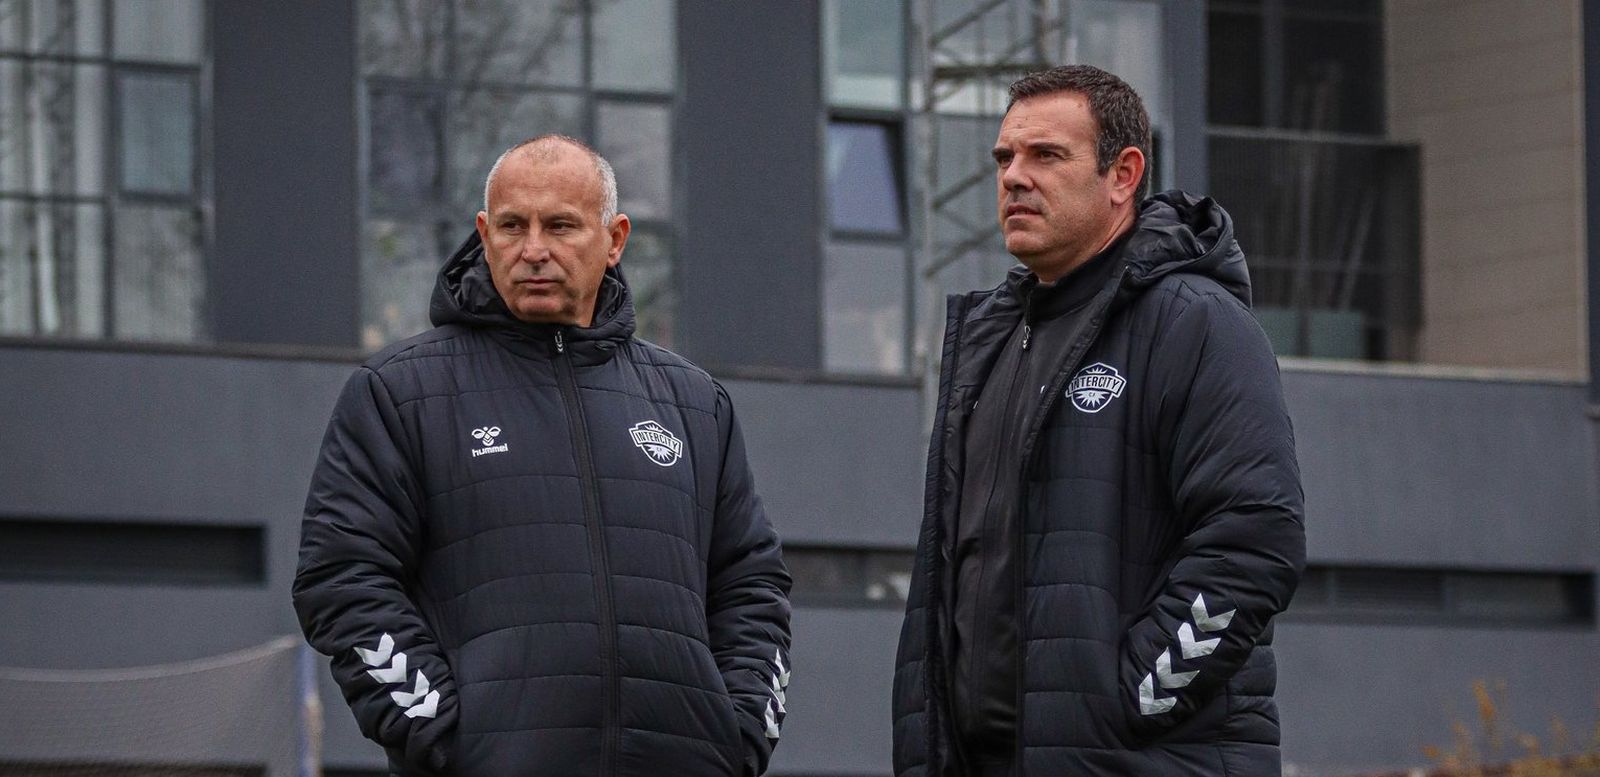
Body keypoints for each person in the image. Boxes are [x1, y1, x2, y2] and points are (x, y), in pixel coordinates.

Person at [293, 135, 792, 777]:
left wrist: (739, 732)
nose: (534, 250)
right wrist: (444, 738)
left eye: (560, 225)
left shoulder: (697, 405)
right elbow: (341, 578)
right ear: (483, 232)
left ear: (614, 240)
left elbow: (752, 583)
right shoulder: (399, 392)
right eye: (511, 226)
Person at [891, 65, 1306, 776]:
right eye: (1004, 158)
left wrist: (1131, 700)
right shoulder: (987, 338)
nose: (1014, 177)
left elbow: (1256, 539)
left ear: (1123, 174)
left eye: (1046, 155)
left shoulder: (1196, 323)